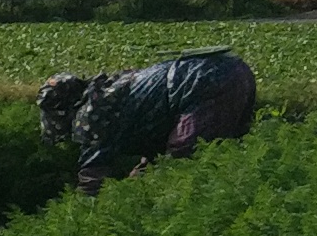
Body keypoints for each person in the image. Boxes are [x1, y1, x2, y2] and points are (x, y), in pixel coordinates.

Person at [41, 48, 259, 196]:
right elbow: (155, 135)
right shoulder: (108, 90)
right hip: (235, 69)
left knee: (186, 161)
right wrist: (135, 182)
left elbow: (92, 176)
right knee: (228, 149)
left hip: (201, 81)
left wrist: (83, 212)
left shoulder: (91, 114)